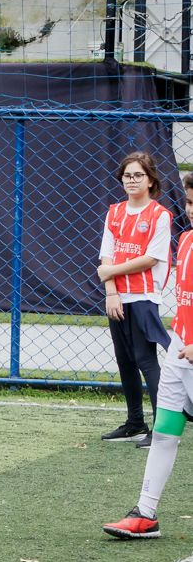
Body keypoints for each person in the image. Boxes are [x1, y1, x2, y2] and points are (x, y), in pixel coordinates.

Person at [104, 171, 193, 539]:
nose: (191, 211)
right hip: (180, 354)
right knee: (165, 432)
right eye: (189, 203)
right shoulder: (186, 240)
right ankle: (145, 513)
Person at [96, 151, 172, 449]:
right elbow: (106, 253)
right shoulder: (114, 212)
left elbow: (151, 258)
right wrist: (112, 292)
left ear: (151, 180)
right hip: (118, 297)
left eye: (138, 175)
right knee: (125, 360)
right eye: (127, 175)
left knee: (145, 360)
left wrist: (109, 272)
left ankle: (162, 428)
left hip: (143, 296)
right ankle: (134, 423)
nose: (131, 180)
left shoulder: (160, 215)